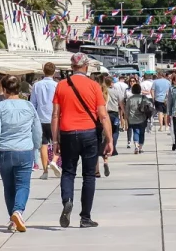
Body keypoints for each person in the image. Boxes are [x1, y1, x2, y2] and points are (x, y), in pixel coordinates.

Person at [51, 53, 113, 229]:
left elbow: (55, 114)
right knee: (88, 175)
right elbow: (103, 115)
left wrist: (55, 140)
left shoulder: (61, 86)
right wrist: (109, 139)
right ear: (86, 67)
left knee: (68, 172)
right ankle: (85, 217)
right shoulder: (94, 86)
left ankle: (67, 200)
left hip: (68, 133)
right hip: (89, 134)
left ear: (72, 67)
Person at [0, 76, 42, 233]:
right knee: (23, 185)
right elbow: (37, 130)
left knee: (9, 187)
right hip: (24, 150)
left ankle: (13, 219)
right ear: (19, 89)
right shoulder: (29, 106)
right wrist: (37, 149)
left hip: (4, 151)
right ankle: (18, 212)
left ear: (4, 90)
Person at [30, 62, 62, 180]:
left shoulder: (36, 85)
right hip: (54, 118)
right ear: (54, 72)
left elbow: (33, 103)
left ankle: (45, 171)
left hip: (40, 118)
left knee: (43, 145)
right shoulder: (57, 85)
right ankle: (54, 160)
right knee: (57, 142)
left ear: (43, 71)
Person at [125, 83, 151, 154]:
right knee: (142, 133)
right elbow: (150, 106)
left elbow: (126, 110)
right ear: (140, 90)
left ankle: (136, 145)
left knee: (135, 132)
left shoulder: (130, 99)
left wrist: (126, 118)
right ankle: (140, 147)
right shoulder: (143, 97)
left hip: (133, 118)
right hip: (142, 118)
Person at [106, 76, 125, 160]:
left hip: (105, 114)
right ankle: (113, 146)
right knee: (115, 131)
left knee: (107, 131)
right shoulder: (116, 92)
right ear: (111, 83)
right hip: (114, 113)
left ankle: (107, 147)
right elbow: (121, 102)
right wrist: (124, 112)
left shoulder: (102, 91)